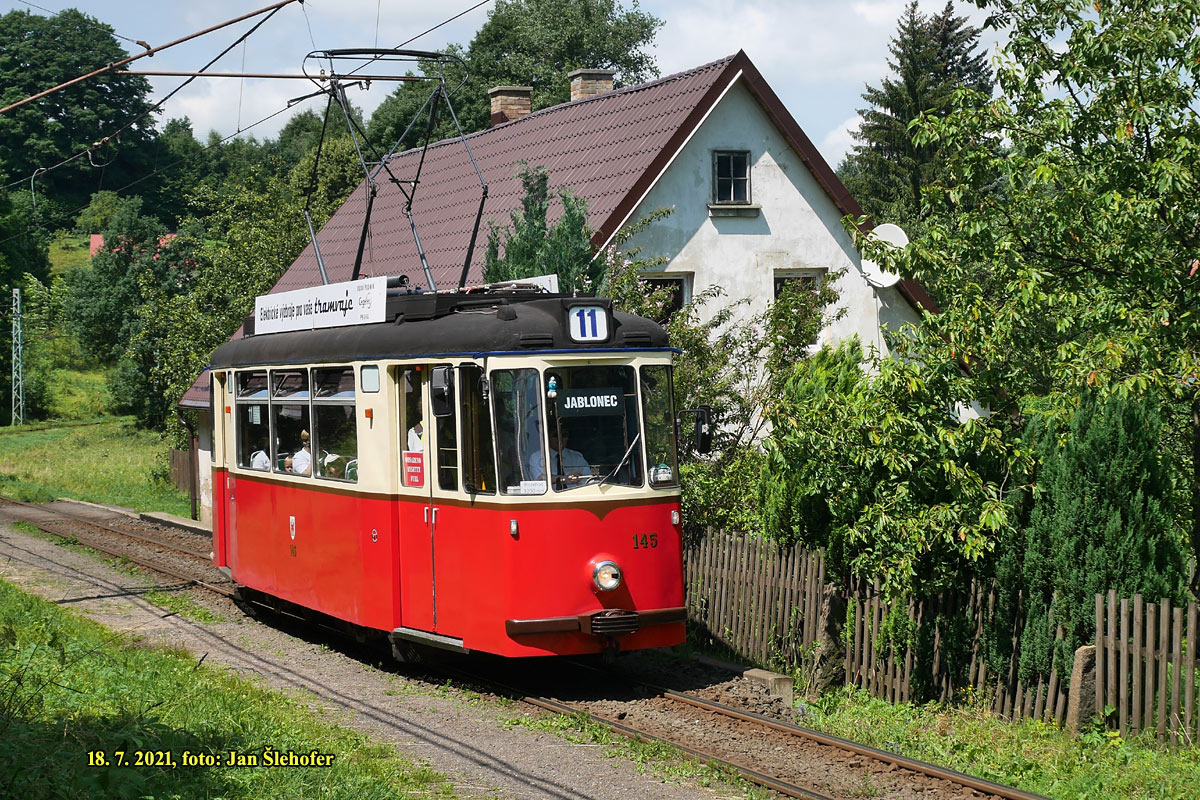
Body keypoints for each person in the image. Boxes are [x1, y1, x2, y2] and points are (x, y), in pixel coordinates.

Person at [528, 427, 593, 485]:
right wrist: (564, 478)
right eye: (555, 435)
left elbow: (589, 480)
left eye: (564, 435)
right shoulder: (537, 457)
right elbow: (540, 479)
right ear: (548, 438)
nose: (560, 438)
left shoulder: (577, 457)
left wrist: (580, 479)